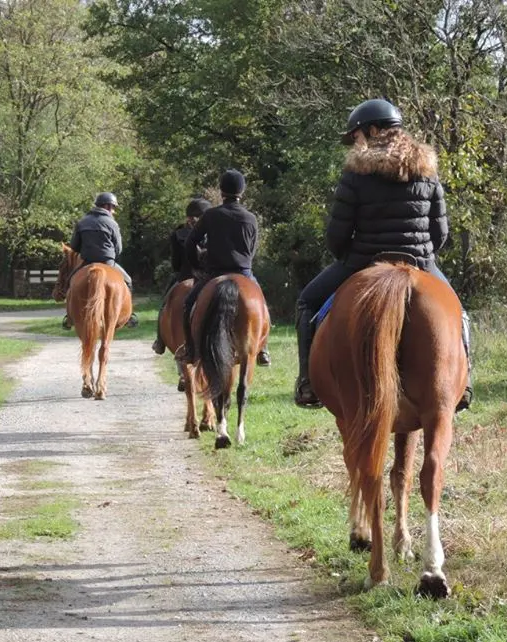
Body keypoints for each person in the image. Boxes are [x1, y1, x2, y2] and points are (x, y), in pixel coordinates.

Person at [292, 98, 473, 412]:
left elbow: (336, 236)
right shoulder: (428, 170)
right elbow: (440, 234)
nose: (355, 142)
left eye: (356, 136)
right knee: (460, 314)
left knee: (307, 302)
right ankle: (465, 383)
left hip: (363, 261)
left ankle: (308, 382)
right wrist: (423, 255)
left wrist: (349, 257)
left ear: (372, 130)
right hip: (420, 262)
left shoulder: (355, 173)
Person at [175, 169, 271, 367]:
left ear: (221, 191)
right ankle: (262, 348)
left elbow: (190, 241)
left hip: (214, 273)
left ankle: (191, 349)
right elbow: (252, 249)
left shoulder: (210, 215)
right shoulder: (250, 218)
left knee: (188, 304)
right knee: (262, 305)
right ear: (242, 192)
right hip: (244, 272)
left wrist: (196, 266)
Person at [61, 191, 139, 330]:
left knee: (70, 282)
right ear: (107, 206)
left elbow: (74, 247)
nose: (114, 211)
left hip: (87, 262)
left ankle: (69, 316)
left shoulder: (82, 222)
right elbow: (119, 248)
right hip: (108, 262)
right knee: (128, 281)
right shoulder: (112, 223)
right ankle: (129, 315)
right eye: (113, 207)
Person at [151, 198, 211, 355]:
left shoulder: (178, 234)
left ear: (188, 216)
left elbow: (175, 263)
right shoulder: (213, 232)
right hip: (209, 277)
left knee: (165, 303)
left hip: (184, 276)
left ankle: (160, 341)